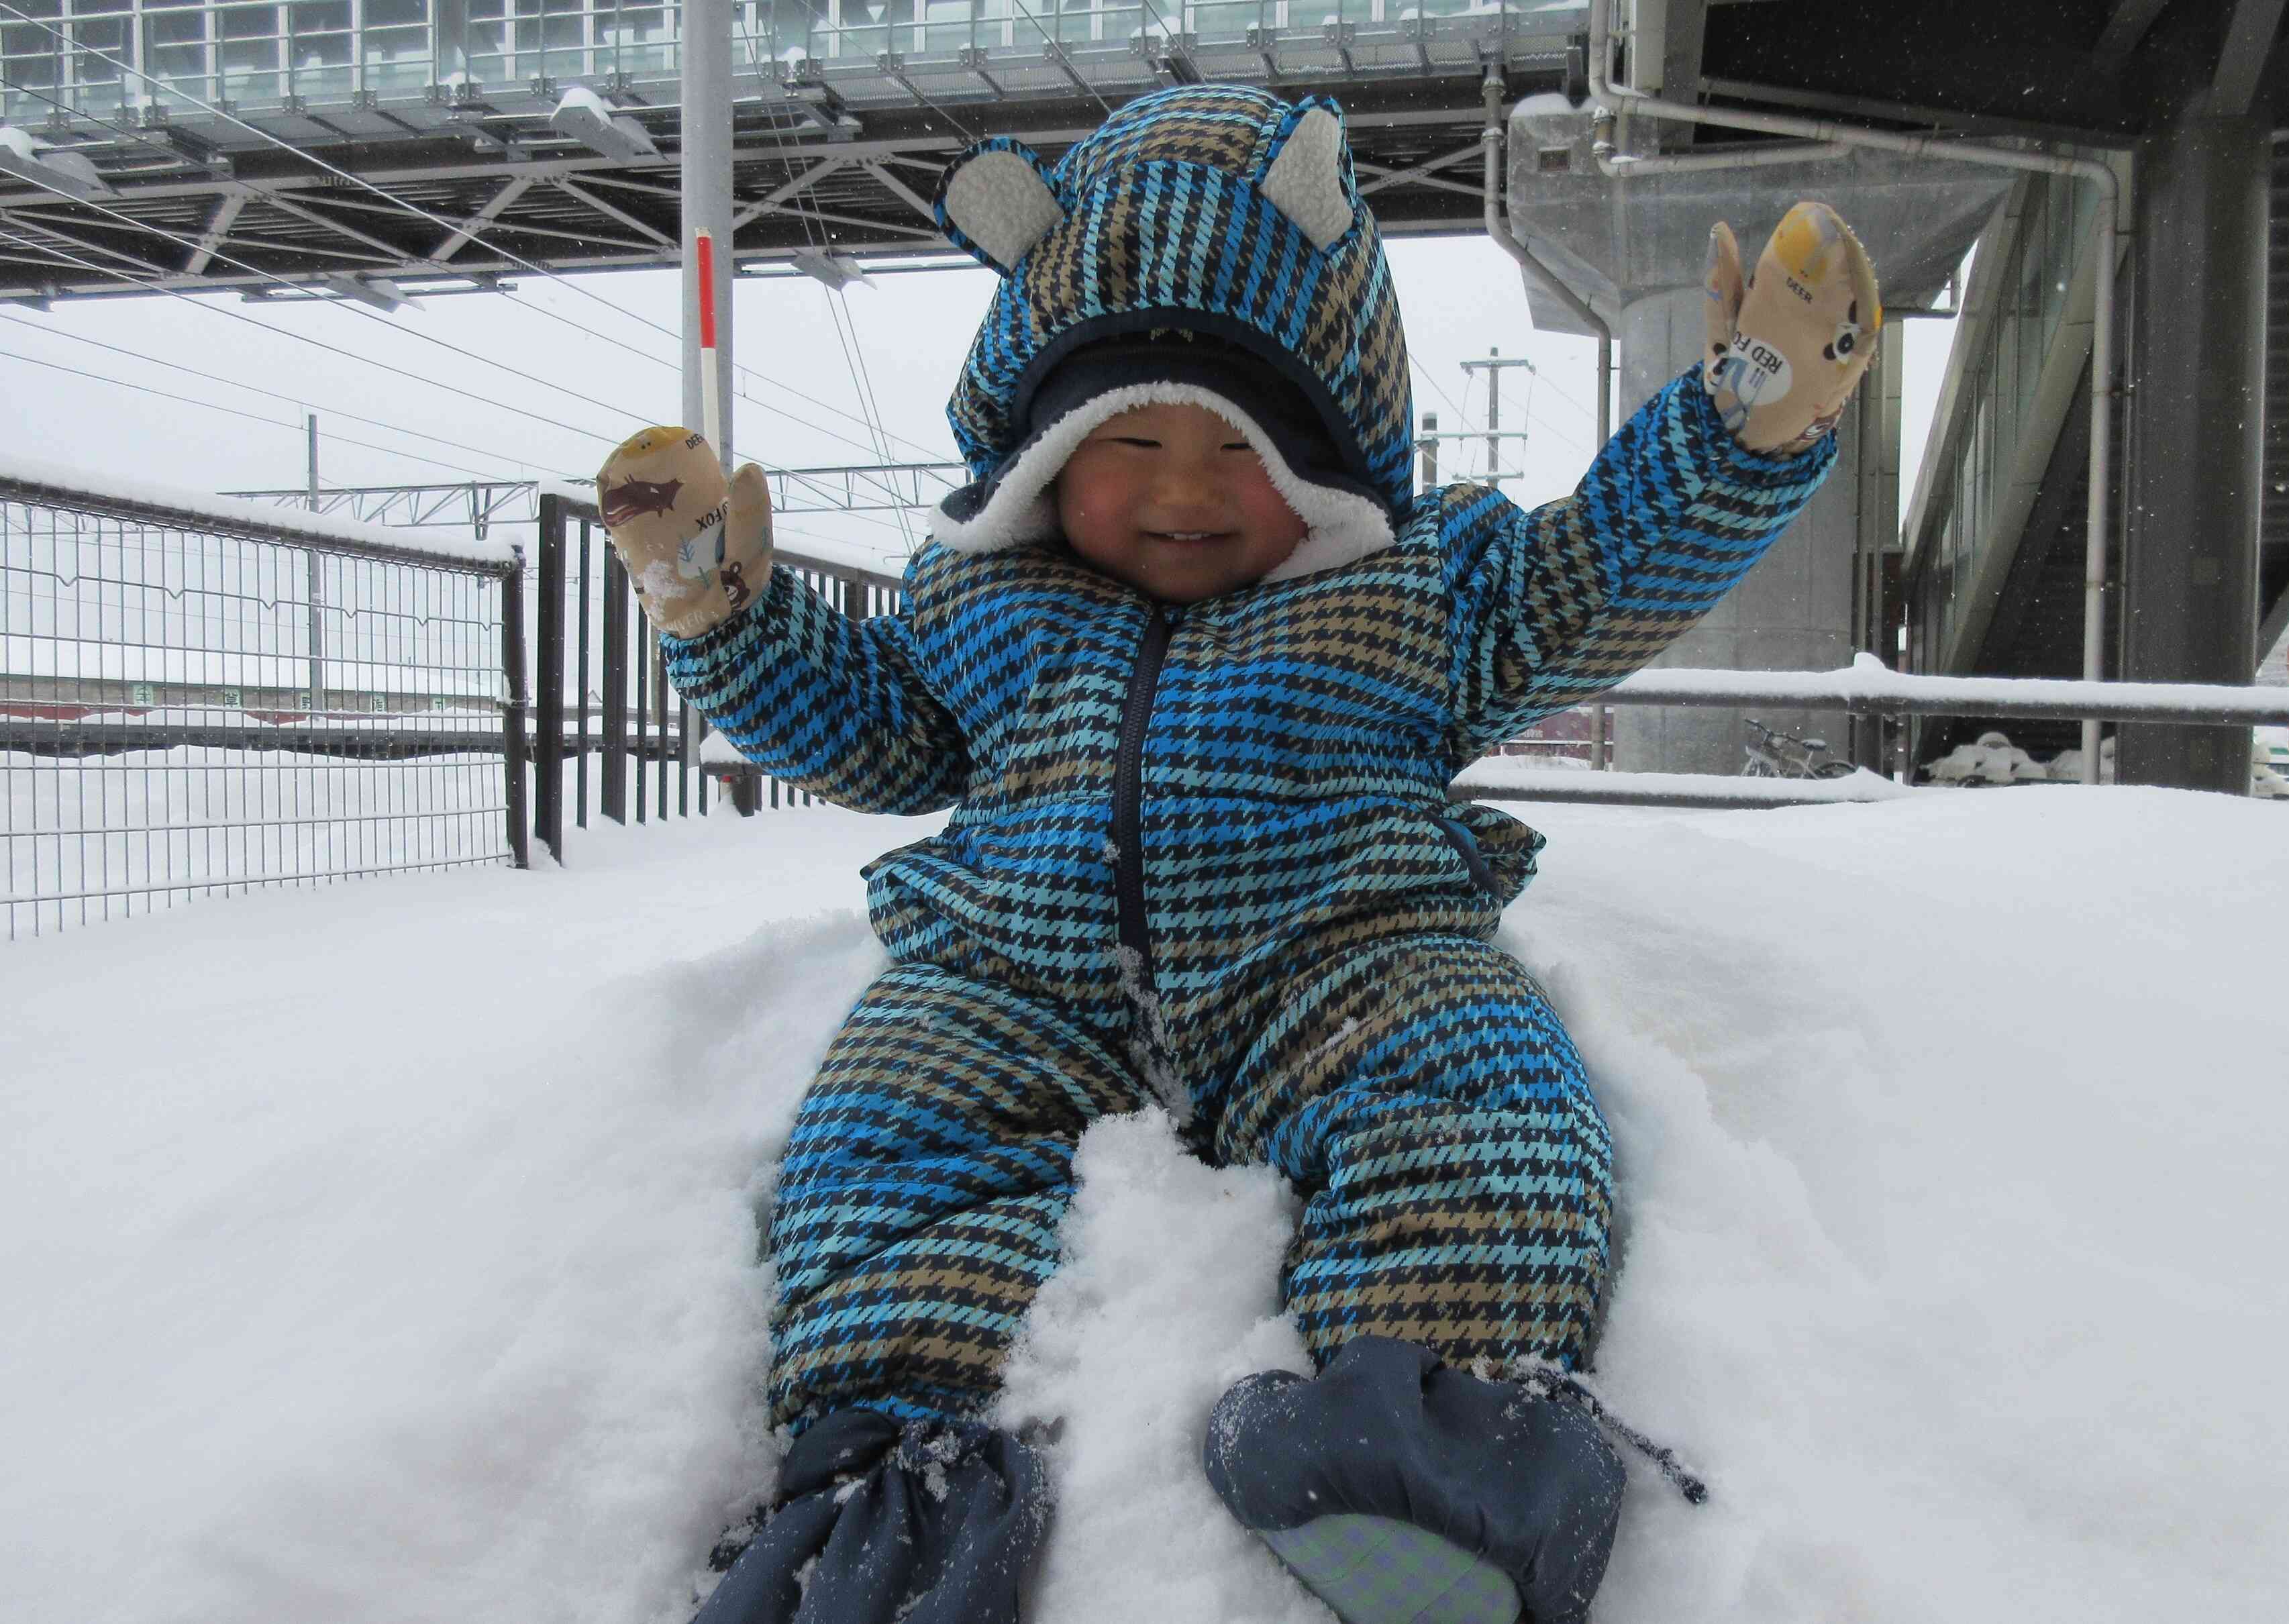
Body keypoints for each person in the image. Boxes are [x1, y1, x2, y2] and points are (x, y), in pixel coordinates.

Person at [595, 83, 1878, 1624]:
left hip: (1342, 957)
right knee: (888, 1149)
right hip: (1013, 979)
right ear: (1040, 452)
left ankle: (1444, 1457)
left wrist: (1741, 430)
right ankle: (896, 1498)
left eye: (1245, 446)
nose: (1187, 490)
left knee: (1474, 1108)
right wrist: (727, 619)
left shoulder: (1420, 597)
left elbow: (1598, 568)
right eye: (1125, 440)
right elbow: (875, 734)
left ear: (1333, 453)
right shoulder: (981, 608)